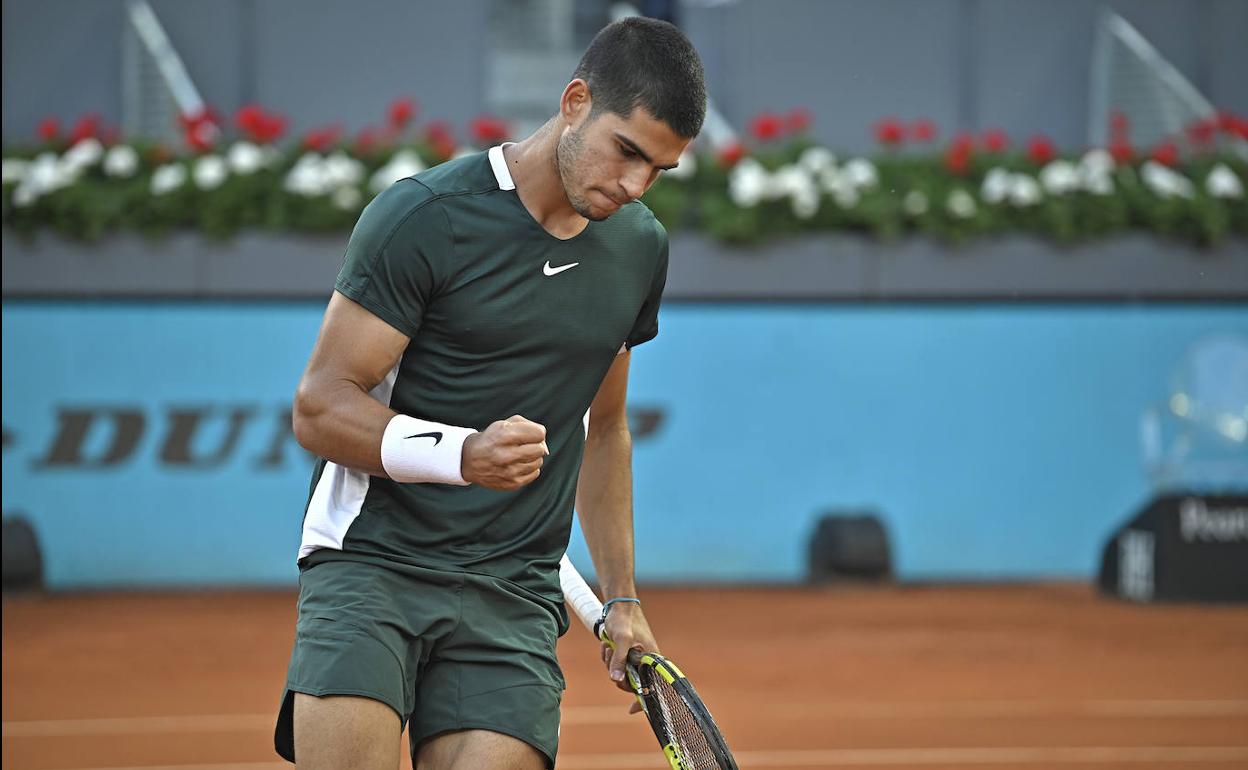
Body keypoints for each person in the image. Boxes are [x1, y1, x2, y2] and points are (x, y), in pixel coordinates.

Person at [272, 16, 707, 770]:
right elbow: (319, 406)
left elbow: (604, 429)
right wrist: (462, 454)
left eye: (658, 170)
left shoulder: (638, 248)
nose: (635, 185)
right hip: (374, 563)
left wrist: (623, 597)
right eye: (627, 152)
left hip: (513, 592)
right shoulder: (425, 217)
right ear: (575, 102)